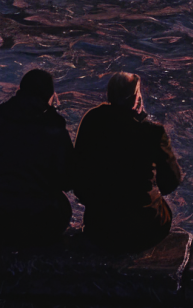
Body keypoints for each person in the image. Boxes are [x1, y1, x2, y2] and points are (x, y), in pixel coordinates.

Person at [72, 71, 183, 253]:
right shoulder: (152, 131)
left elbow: (78, 174)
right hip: (145, 229)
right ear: (136, 98)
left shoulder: (91, 121)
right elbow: (172, 180)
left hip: (99, 227)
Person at [0, 66, 77, 245]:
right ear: (49, 97)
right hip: (42, 220)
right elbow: (67, 181)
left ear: (19, 92)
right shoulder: (55, 131)